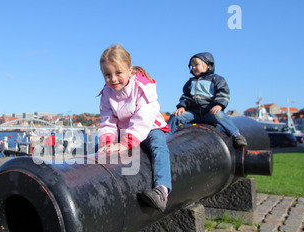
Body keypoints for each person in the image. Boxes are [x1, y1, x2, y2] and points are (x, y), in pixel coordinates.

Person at [97, 44, 171, 212]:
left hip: (150, 126)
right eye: (107, 75)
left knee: (159, 146)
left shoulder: (142, 87)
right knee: (100, 150)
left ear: (129, 70)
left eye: (118, 73)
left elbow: (143, 118)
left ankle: (162, 189)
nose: (113, 79)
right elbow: (107, 121)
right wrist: (107, 142)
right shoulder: (107, 93)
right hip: (124, 131)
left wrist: (124, 144)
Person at [167, 52, 247, 147]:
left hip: (209, 112)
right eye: (192, 66)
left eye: (196, 65)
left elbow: (223, 93)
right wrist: (182, 106)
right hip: (194, 114)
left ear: (208, 66)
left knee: (219, 116)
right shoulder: (191, 82)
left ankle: (236, 134)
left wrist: (219, 105)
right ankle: (166, 136)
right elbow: (186, 96)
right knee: (176, 115)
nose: (193, 68)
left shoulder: (216, 79)